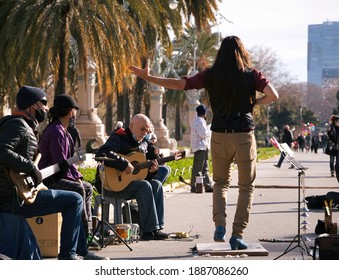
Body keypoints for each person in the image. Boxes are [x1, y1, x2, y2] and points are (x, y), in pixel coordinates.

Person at [129, 35, 279, 250]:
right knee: (246, 186)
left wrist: (149, 77)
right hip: (244, 134)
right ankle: (237, 234)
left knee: (220, 183)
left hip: (219, 134)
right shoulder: (251, 75)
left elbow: (182, 84)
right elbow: (273, 95)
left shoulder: (211, 75)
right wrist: (253, 102)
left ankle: (219, 225)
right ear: (242, 52)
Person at [0, 85, 105, 260]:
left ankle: (77, 251)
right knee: (74, 199)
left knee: (77, 196)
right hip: (14, 200)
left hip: (18, 195)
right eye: (43, 103)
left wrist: (31, 171)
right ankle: (70, 254)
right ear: (33, 105)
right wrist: (29, 167)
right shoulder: (18, 126)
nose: (46, 108)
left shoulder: (22, 126)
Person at [95, 114, 169, 241]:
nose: (144, 133)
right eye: (142, 129)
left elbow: (142, 174)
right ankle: (147, 231)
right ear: (131, 126)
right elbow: (102, 153)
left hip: (128, 185)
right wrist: (123, 163)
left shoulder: (144, 143)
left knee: (156, 184)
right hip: (110, 185)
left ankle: (156, 228)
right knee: (144, 186)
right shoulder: (119, 137)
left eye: (147, 130)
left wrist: (152, 171)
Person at [38, 94, 95, 243]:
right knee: (79, 188)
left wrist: (78, 176)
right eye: (75, 111)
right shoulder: (56, 131)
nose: (75, 114)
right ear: (71, 111)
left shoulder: (64, 131)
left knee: (87, 187)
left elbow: (70, 162)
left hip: (59, 175)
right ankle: (84, 236)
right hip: (50, 179)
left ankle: (88, 230)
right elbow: (61, 163)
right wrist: (75, 175)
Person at [190, 104, 213, 193]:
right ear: (204, 113)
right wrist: (208, 129)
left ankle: (207, 186)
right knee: (198, 167)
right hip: (200, 147)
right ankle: (193, 186)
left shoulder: (197, 120)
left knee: (204, 167)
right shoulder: (199, 121)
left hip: (202, 146)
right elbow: (203, 134)